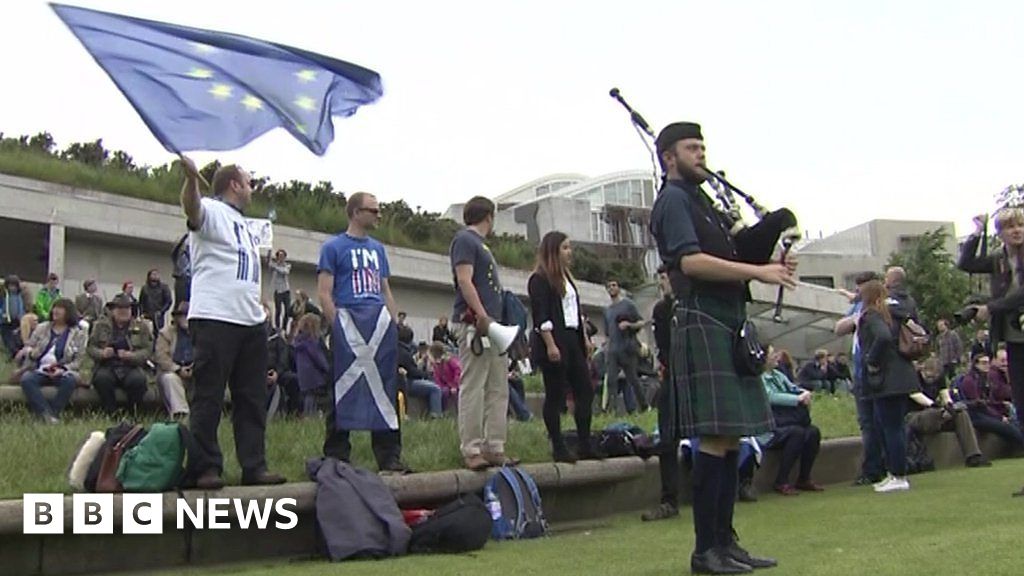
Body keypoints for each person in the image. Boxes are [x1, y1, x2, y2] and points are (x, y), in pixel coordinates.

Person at [649, 121, 793, 573]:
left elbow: (731, 254)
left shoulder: (701, 201)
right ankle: (705, 551)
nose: (701, 154)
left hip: (727, 317)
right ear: (669, 157)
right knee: (714, 436)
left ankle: (726, 544)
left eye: (703, 147)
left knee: (729, 436)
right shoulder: (673, 200)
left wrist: (771, 240)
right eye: (691, 148)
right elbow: (690, 262)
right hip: (702, 316)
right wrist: (760, 273)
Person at [180, 155, 285, 489]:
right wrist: (192, 180)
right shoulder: (212, 210)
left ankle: (254, 465)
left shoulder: (245, 223)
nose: (252, 189)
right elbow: (192, 210)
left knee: (252, 397)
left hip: (249, 320)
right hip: (215, 316)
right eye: (249, 183)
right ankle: (205, 467)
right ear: (235, 185)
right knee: (208, 396)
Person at [317, 191, 409, 474]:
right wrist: (338, 327)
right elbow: (324, 292)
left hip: (378, 325)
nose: (379, 215)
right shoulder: (333, 247)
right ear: (356, 212)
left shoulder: (378, 249)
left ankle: (389, 455)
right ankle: (336, 453)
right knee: (341, 384)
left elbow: (384, 289)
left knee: (386, 386)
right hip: (349, 320)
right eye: (374, 210)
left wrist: (393, 323)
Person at [449, 196, 517, 471]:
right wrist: (481, 314)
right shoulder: (466, 240)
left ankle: (494, 445)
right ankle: (472, 447)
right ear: (489, 216)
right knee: (474, 385)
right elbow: (464, 280)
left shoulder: (478, 244)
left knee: (498, 386)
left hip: (491, 324)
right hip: (476, 322)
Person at [527, 231, 599, 463]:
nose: (570, 253)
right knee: (555, 394)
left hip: (572, 337)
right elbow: (541, 315)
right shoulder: (539, 279)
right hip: (554, 338)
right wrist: (550, 344)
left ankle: (585, 443)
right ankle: (558, 446)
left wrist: (585, 338)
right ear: (553, 251)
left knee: (585, 390)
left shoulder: (567, 279)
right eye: (565, 248)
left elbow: (576, 312)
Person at [857, 279, 917, 493]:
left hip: (886, 379)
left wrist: (871, 360)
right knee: (895, 426)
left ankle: (898, 475)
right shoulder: (894, 314)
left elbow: (882, 337)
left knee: (890, 428)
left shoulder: (872, 315)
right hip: (902, 375)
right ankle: (896, 473)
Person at [835, 271, 886, 486]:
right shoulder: (859, 308)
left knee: (879, 422)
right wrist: (857, 317)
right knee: (867, 423)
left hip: (876, 372)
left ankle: (880, 467)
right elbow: (839, 328)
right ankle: (872, 468)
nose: (858, 291)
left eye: (861, 287)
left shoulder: (882, 307)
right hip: (859, 373)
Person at [642, 265, 682, 522]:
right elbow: (664, 347)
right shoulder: (661, 310)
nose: (661, 284)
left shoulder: (692, 306)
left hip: (694, 376)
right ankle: (669, 500)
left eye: (665, 279)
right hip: (672, 377)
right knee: (668, 437)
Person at [761, 347, 824, 495]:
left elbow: (793, 388)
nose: (777, 356)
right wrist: (797, 399)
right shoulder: (759, 378)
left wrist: (804, 393)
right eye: (772, 354)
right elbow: (770, 397)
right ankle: (781, 481)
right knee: (797, 433)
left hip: (786, 421)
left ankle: (804, 478)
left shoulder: (778, 375)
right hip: (769, 427)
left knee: (813, 432)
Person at [907, 357, 989, 468]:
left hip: (936, 415)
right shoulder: (913, 377)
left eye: (934, 378)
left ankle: (973, 456)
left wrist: (950, 406)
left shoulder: (940, 378)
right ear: (922, 369)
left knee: (961, 413)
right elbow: (916, 395)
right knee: (934, 412)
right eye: (928, 377)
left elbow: (944, 394)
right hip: (914, 416)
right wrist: (936, 406)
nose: (931, 380)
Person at [17, 299, 87, 423]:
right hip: (39, 369)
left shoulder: (78, 333)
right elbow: (29, 347)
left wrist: (63, 369)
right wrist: (31, 352)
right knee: (27, 379)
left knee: (69, 381)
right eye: (54, 307)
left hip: (63, 371)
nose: (56, 311)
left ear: (68, 312)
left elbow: (78, 361)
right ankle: (46, 414)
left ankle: (54, 414)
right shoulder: (42, 328)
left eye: (60, 308)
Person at [87, 294, 153, 416]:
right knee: (102, 379)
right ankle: (111, 413)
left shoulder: (141, 326)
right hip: (107, 365)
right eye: (119, 308)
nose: (124, 311)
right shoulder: (100, 326)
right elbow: (90, 348)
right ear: (112, 310)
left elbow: (148, 350)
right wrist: (102, 353)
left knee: (138, 381)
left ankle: (132, 414)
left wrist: (131, 356)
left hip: (131, 366)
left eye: (127, 308)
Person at [959, 352, 1024, 448]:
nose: (987, 366)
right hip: (975, 415)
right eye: (983, 363)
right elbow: (979, 404)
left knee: (1015, 422)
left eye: (988, 363)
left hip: (987, 412)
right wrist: (999, 417)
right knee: (1006, 427)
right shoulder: (969, 381)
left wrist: (1001, 406)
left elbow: (990, 401)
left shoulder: (985, 378)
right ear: (976, 364)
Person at [603, 280, 648, 412]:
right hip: (613, 350)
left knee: (633, 379)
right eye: (609, 286)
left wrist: (629, 325)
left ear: (618, 288)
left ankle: (644, 406)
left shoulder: (628, 304)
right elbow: (607, 333)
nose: (611, 288)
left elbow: (641, 322)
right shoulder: (607, 310)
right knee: (611, 380)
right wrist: (607, 347)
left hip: (628, 347)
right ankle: (611, 409)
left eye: (614, 285)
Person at [154, 301, 194, 420]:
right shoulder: (166, 333)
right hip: (173, 371)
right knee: (170, 379)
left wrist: (194, 368)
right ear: (177, 318)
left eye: (188, 315)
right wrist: (178, 369)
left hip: (196, 370)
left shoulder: (201, 334)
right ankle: (181, 414)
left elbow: (206, 354)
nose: (185, 318)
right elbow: (161, 357)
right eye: (182, 315)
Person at [292, 313, 328, 417]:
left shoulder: (298, 343)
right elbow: (319, 359)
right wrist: (327, 369)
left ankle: (307, 415)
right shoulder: (311, 343)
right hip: (315, 377)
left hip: (303, 378)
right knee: (314, 398)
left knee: (308, 397)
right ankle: (313, 416)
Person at [1, 275, 32, 358]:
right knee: (8, 338)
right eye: (10, 286)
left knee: (17, 337)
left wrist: (21, 317)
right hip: (5, 321)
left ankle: (19, 352)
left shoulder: (19, 296)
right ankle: (14, 352)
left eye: (14, 286)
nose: (12, 288)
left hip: (17, 321)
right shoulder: (4, 295)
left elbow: (21, 308)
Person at [429, 341, 461, 411]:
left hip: (455, 383)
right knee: (443, 392)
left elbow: (458, 371)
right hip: (446, 385)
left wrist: (455, 385)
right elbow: (437, 378)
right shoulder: (436, 364)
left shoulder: (450, 360)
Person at [268, 249, 292, 331]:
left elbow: (285, 272)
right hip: (278, 291)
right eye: (280, 256)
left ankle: (284, 328)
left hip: (286, 291)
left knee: (287, 310)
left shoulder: (287, 265)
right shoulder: (274, 266)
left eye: (283, 256)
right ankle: (277, 328)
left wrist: (275, 266)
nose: (281, 258)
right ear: (277, 257)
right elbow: (268, 263)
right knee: (278, 310)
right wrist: (269, 254)